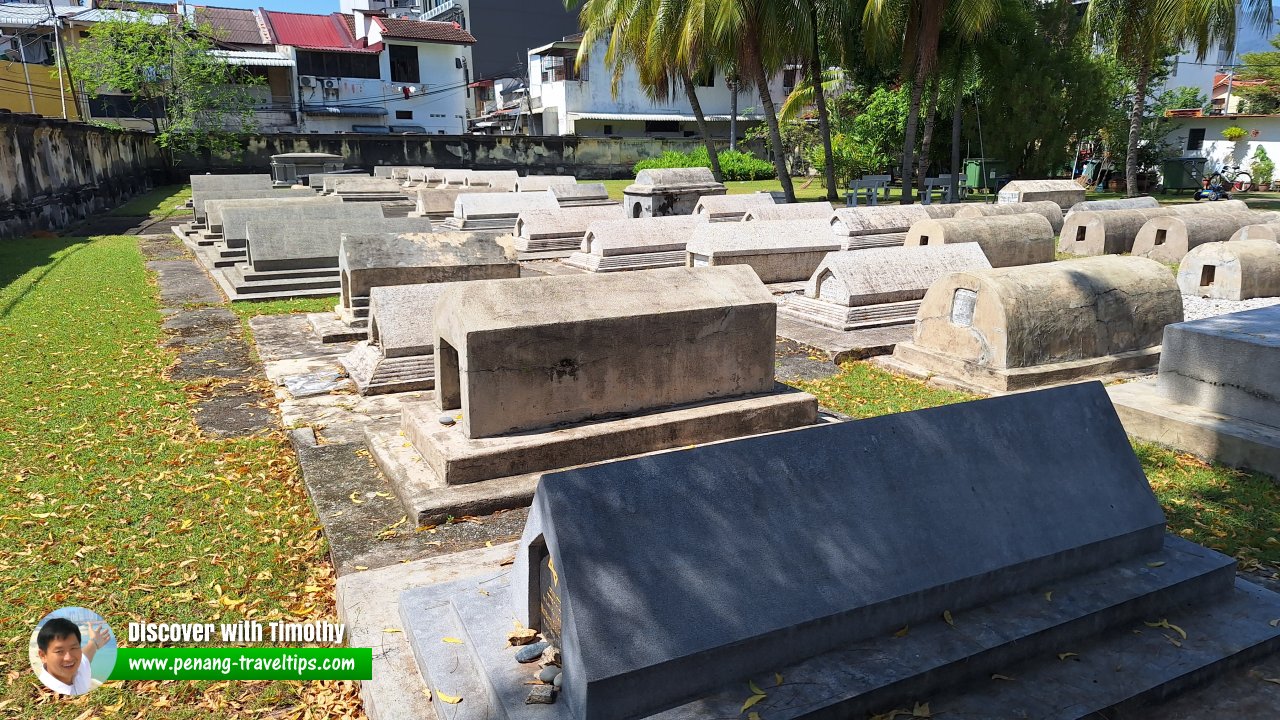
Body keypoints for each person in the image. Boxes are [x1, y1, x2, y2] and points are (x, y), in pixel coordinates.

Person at [35, 617, 110, 696]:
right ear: (43, 656)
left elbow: (86, 655)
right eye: (59, 651)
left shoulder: (79, 668)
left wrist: (94, 642)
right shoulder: (47, 692)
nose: (69, 658)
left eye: (73, 648)